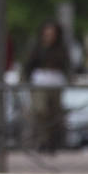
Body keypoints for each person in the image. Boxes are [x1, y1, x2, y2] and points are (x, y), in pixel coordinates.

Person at [21, 21, 71, 153]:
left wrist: (69, 78)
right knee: (40, 110)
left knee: (54, 112)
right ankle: (42, 139)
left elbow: (67, 65)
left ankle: (52, 141)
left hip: (56, 79)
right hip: (40, 78)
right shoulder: (36, 47)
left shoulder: (61, 48)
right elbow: (28, 65)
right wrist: (24, 79)